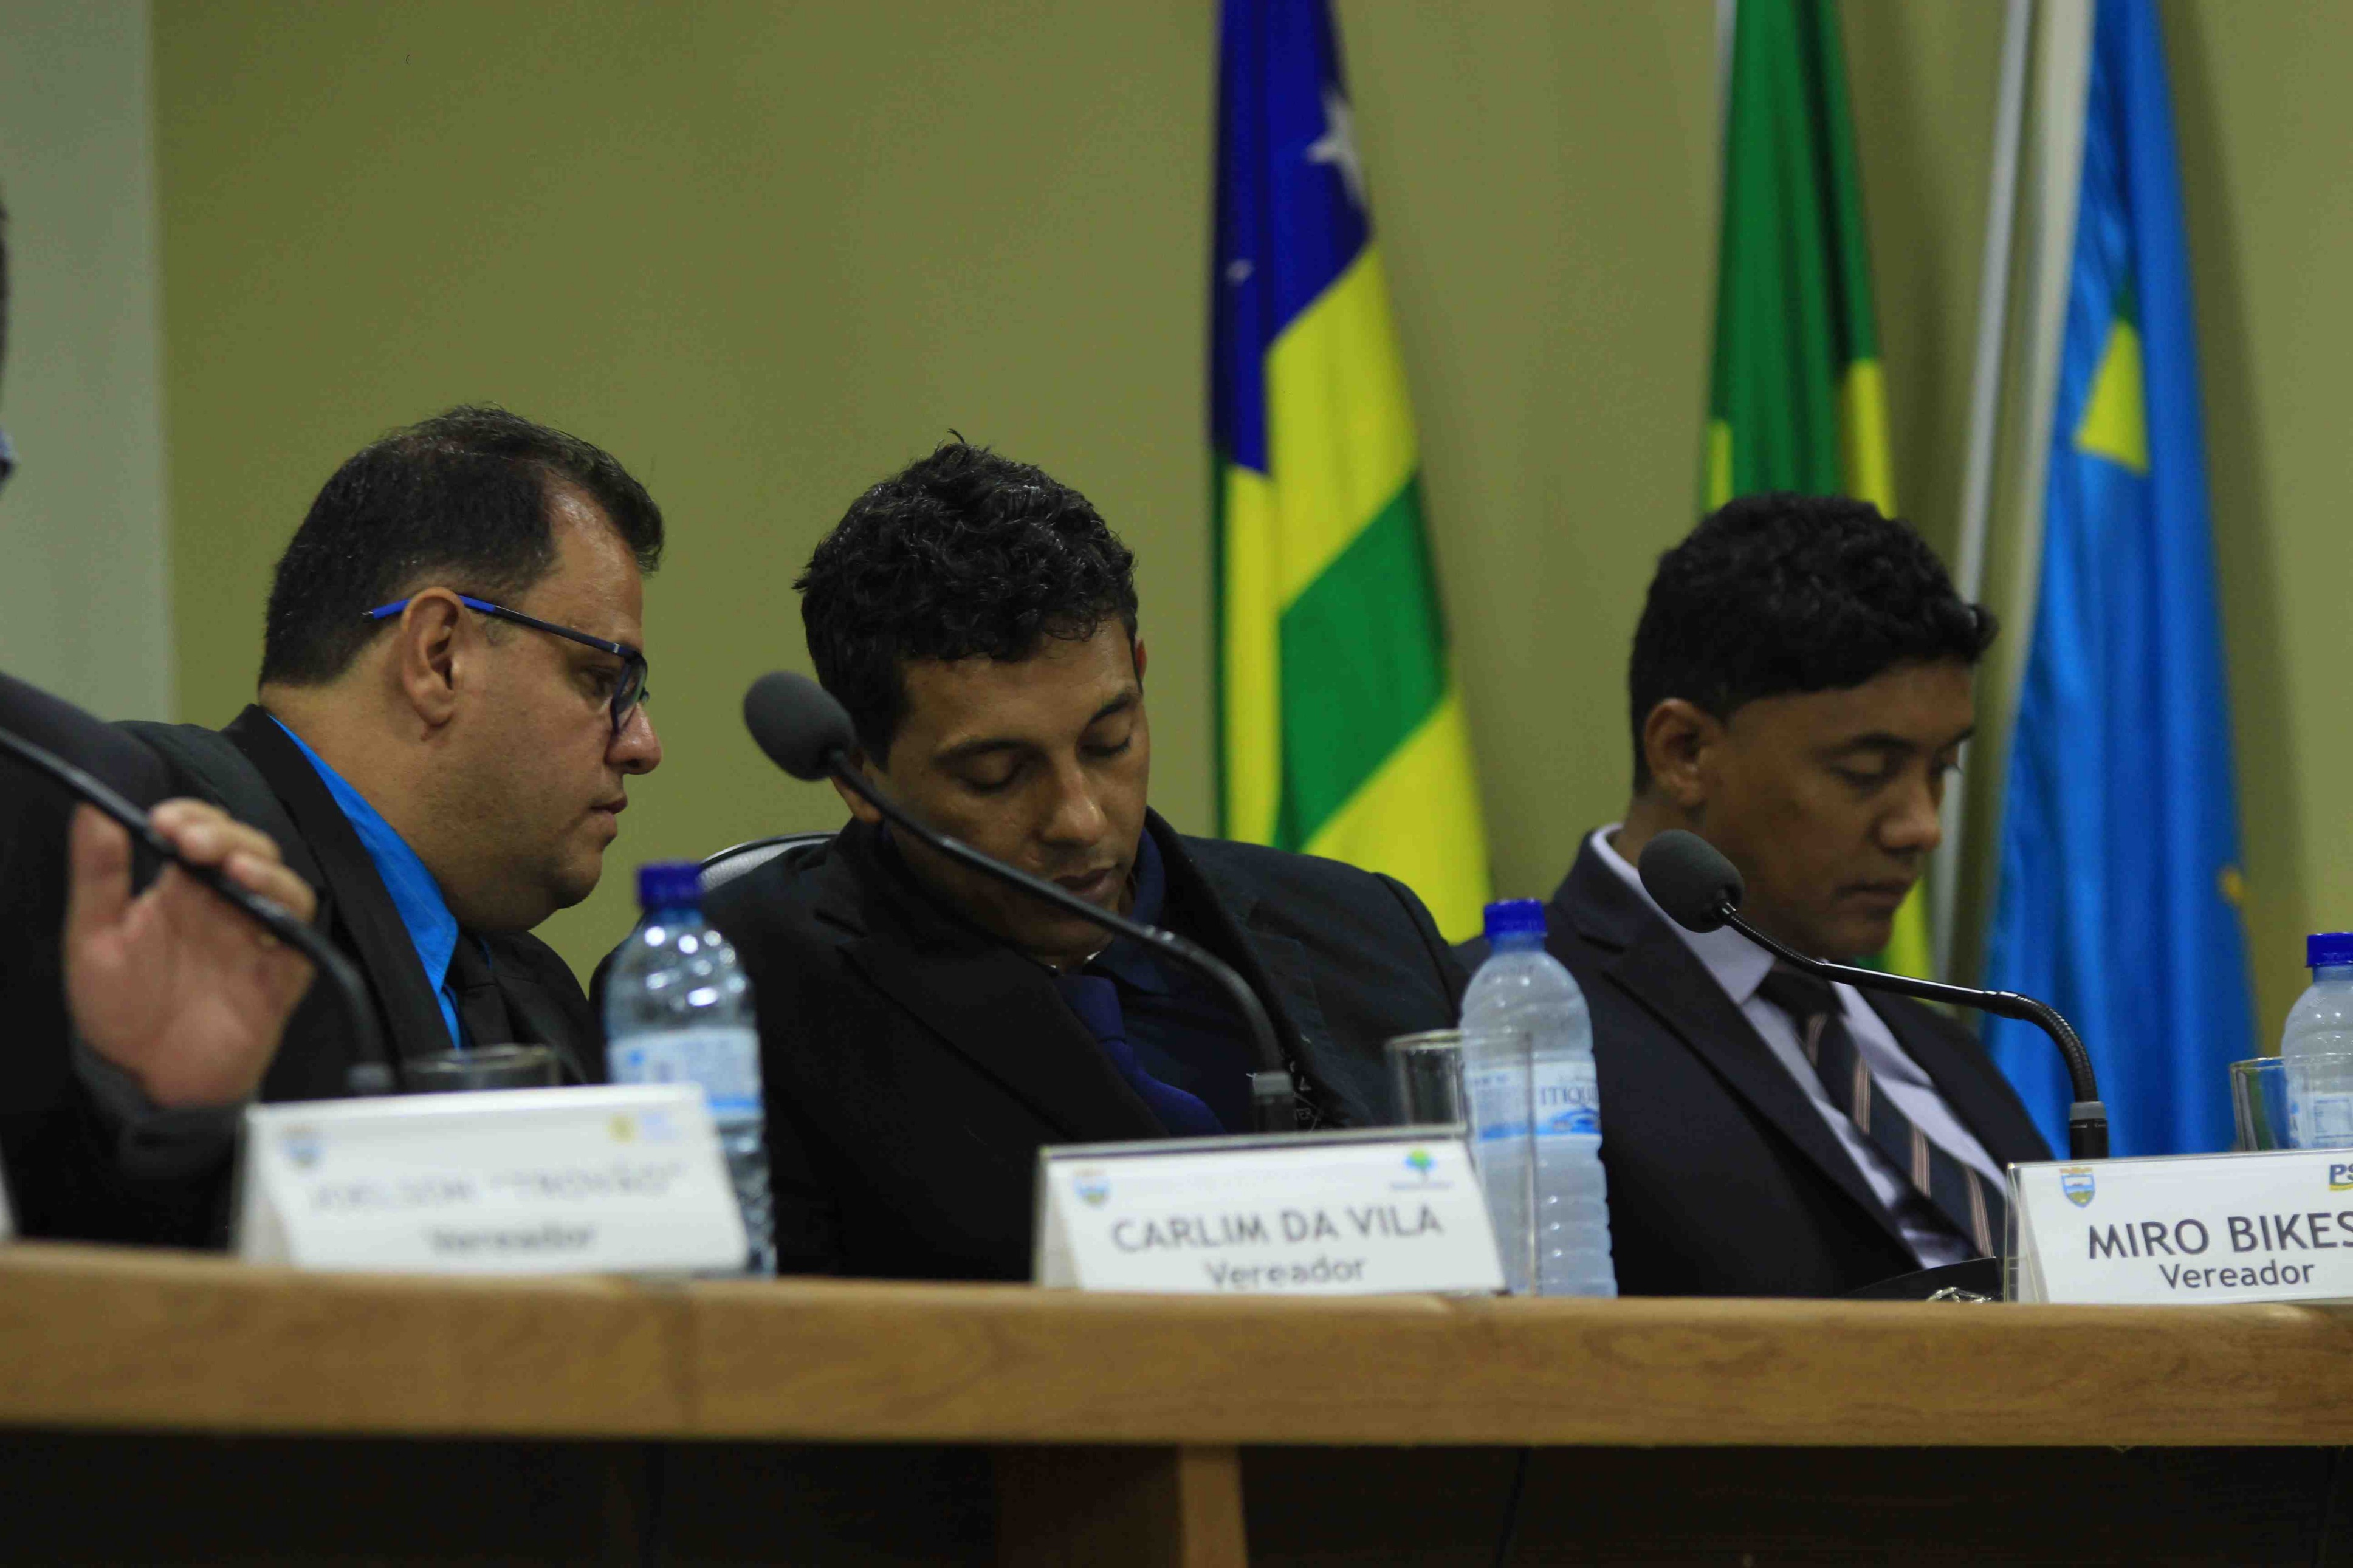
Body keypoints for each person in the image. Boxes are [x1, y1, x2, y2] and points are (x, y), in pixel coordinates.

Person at [693, 441, 1463, 1281]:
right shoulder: (744, 999)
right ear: (859, 773)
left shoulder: (1372, 931)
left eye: (1109, 741)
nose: (1079, 818)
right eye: (997, 774)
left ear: (1139, 673)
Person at [0, 405, 665, 1245]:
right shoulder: (152, 855)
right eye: (602, 680)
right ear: (439, 655)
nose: (642, 745)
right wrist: (169, 1118)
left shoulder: (538, 993)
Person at [1482, 493, 2050, 1298]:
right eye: (1866, 772)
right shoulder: (1518, 1036)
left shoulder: (1943, 1046)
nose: (1923, 826)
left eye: (1942, 769)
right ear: (1685, 751)